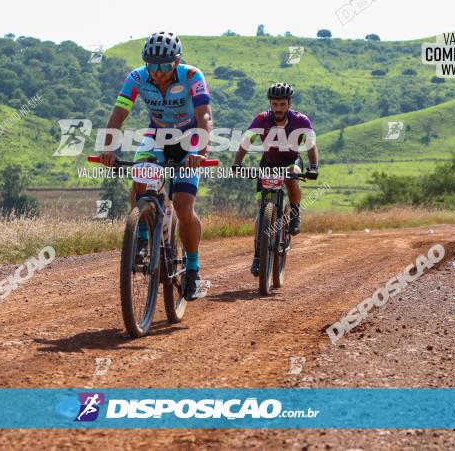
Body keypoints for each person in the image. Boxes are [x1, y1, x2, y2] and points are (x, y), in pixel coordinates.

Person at [99, 31, 213, 300]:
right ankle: (139, 233)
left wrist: (200, 150)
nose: (158, 72)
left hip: (190, 137)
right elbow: (119, 113)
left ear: (177, 61)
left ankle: (193, 269)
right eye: (152, 65)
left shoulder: (192, 76)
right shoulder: (136, 77)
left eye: (164, 66)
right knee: (139, 178)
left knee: (184, 206)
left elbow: (205, 116)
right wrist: (108, 146)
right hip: (157, 136)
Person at [232, 82, 319, 276]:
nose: (278, 108)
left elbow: (311, 145)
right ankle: (258, 255)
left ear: (289, 104)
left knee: (291, 177)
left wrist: (313, 167)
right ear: (270, 104)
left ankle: (295, 213)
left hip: (291, 161)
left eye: (282, 104)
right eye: (275, 104)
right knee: (261, 210)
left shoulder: (301, 120)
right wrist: (237, 163)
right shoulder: (261, 119)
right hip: (268, 163)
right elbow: (246, 141)